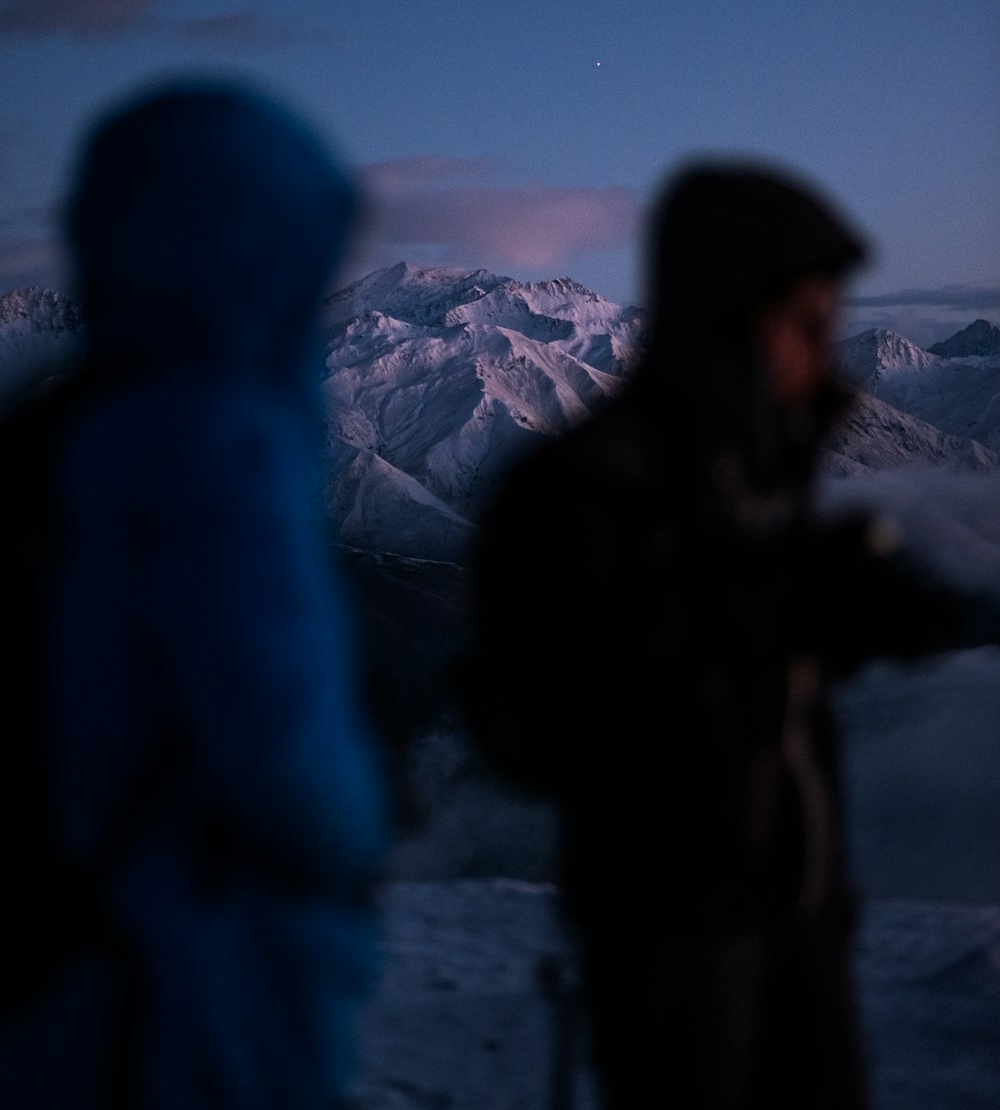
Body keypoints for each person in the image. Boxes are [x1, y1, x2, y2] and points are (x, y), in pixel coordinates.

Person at [461, 163, 984, 1109]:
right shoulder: (587, 489)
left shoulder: (751, 476)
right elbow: (523, 722)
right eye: (804, 314)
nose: (828, 342)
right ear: (734, 312)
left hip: (793, 917)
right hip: (669, 942)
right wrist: (745, 609)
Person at [0, 83, 387, 1108]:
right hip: (190, 983)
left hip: (60, 967)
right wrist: (358, 839)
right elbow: (290, 752)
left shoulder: (58, 432)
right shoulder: (224, 449)